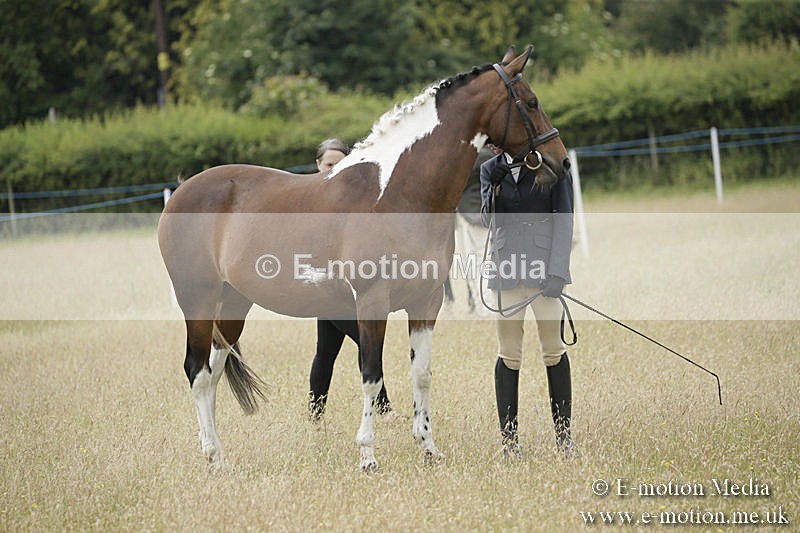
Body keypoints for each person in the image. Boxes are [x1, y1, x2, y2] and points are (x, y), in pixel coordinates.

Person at [480, 147, 578, 459]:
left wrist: (558, 271)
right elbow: (488, 221)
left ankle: (564, 438)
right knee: (508, 353)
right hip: (506, 270)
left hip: (544, 271)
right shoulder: (489, 168)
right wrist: (494, 188)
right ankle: (510, 443)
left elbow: (564, 218)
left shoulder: (551, 162)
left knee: (553, 350)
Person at [307, 138, 391, 419]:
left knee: (326, 352)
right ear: (318, 165)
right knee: (366, 340)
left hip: (350, 288)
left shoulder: (354, 200)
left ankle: (315, 415)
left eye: (341, 164)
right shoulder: (310, 200)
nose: (335, 169)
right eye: (330, 164)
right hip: (325, 288)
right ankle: (384, 409)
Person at [454, 145, 494, 316]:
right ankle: (481, 306)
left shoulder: (472, 155)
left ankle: (485, 307)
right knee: (475, 262)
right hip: (471, 213)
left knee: (476, 262)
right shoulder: (484, 155)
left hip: (471, 214)